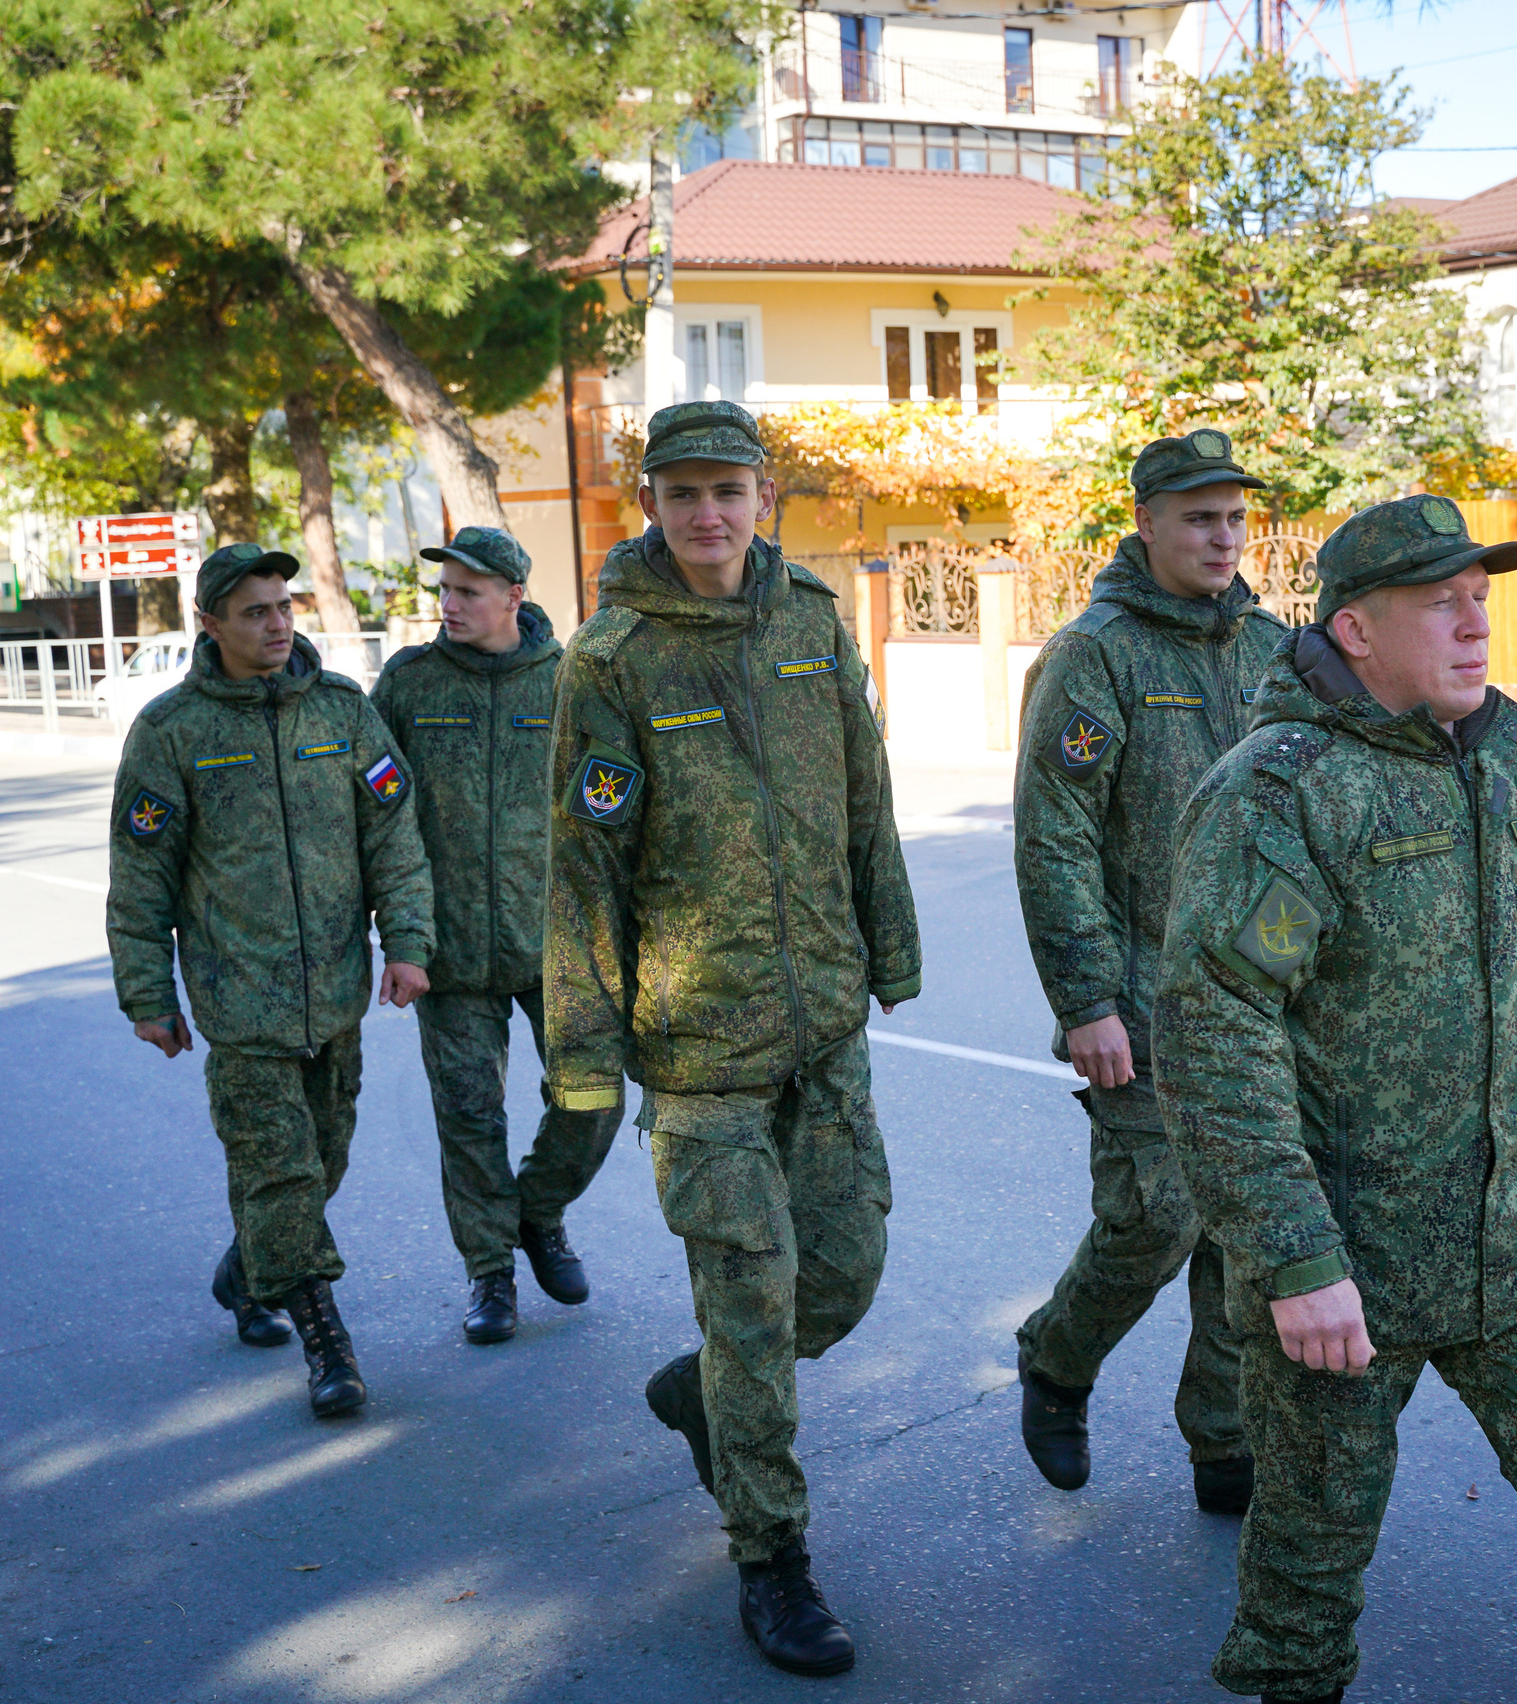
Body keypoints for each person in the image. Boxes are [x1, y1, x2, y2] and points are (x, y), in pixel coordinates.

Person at [1156, 495, 1517, 1704]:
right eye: (1439, 602)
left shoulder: (1503, 762)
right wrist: (1292, 1257)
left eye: (1479, 597)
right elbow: (1219, 1033)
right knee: (1310, 1557)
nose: (1475, 624)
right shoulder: (1285, 792)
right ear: (1354, 630)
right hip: (1351, 1265)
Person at [546, 401, 921, 1677]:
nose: (707, 514)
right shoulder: (612, 659)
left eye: (728, 489)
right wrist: (583, 1051)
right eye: (682, 492)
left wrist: (891, 949)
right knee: (753, 1308)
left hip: (824, 1027)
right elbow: (583, 872)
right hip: (697, 1045)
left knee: (846, 1272)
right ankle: (772, 1558)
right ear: (649, 503)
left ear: (765, 495)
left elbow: (866, 795)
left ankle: (700, 1391)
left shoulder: (813, 620)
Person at [1011, 430, 1292, 1514]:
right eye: (1198, 518)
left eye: (1235, 517)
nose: (1223, 537)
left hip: (1259, 998)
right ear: (1145, 522)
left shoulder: (1275, 646)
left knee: (1247, 1227)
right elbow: (1055, 839)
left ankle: (1224, 1437)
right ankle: (1057, 1357)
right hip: (1138, 999)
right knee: (1157, 1217)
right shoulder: (1096, 655)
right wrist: (1087, 1001)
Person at [106, 543, 434, 1419]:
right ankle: (329, 1347)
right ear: (209, 624)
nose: (278, 623)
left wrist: (407, 944)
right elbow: (140, 878)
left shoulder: (342, 710)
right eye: (255, 611)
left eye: (284, 605)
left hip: (335, 995)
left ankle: (249, 1268)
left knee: (321, 1162)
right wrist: (149, 996)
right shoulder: (171, 732)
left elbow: (394, 839)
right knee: (281, 1171)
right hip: (239, 1002)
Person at [372, 527, 620, 1346]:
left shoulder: (567, 680)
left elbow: (610, 807)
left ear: (514, 596)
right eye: (444, 590)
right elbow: (378, 818)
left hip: (557, 945)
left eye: (468, 591)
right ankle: (490, 1272)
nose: (449, 604)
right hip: (448, 951)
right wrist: (400, 934)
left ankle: (537, 1211)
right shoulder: (408, 683)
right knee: (470, 1118)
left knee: (593, 1095)